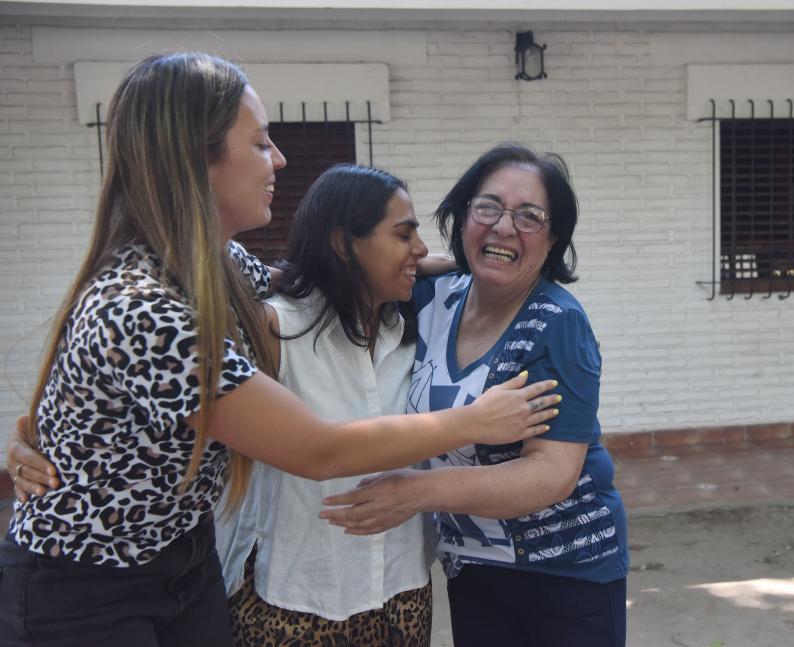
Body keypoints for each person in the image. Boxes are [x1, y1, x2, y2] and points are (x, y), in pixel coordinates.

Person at [0, 54, 558, 647]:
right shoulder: (143, 309)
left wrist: (434, 263)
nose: (281, 160)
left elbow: (316, 277)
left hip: (185, 558)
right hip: (86, 586)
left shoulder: (222, 266)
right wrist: (472, 421)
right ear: (199, 158)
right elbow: (320, 449)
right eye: (262, 143)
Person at [321, 144, 629, 647]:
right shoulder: (434, 299)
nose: (505, 228)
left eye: (530, 217)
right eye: (488, 208)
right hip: (472, 565)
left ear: (552, 240)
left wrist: (417, 492)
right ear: (463, 217)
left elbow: (550, 473)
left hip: (567, 572)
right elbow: (356, 271)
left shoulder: (557, 325)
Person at [219, 163, 436, 646]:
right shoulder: (276, 330)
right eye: (403, 235)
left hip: (402, 590)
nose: (420, 249)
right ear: (342, 244)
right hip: (295, 597)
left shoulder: (412, 328)